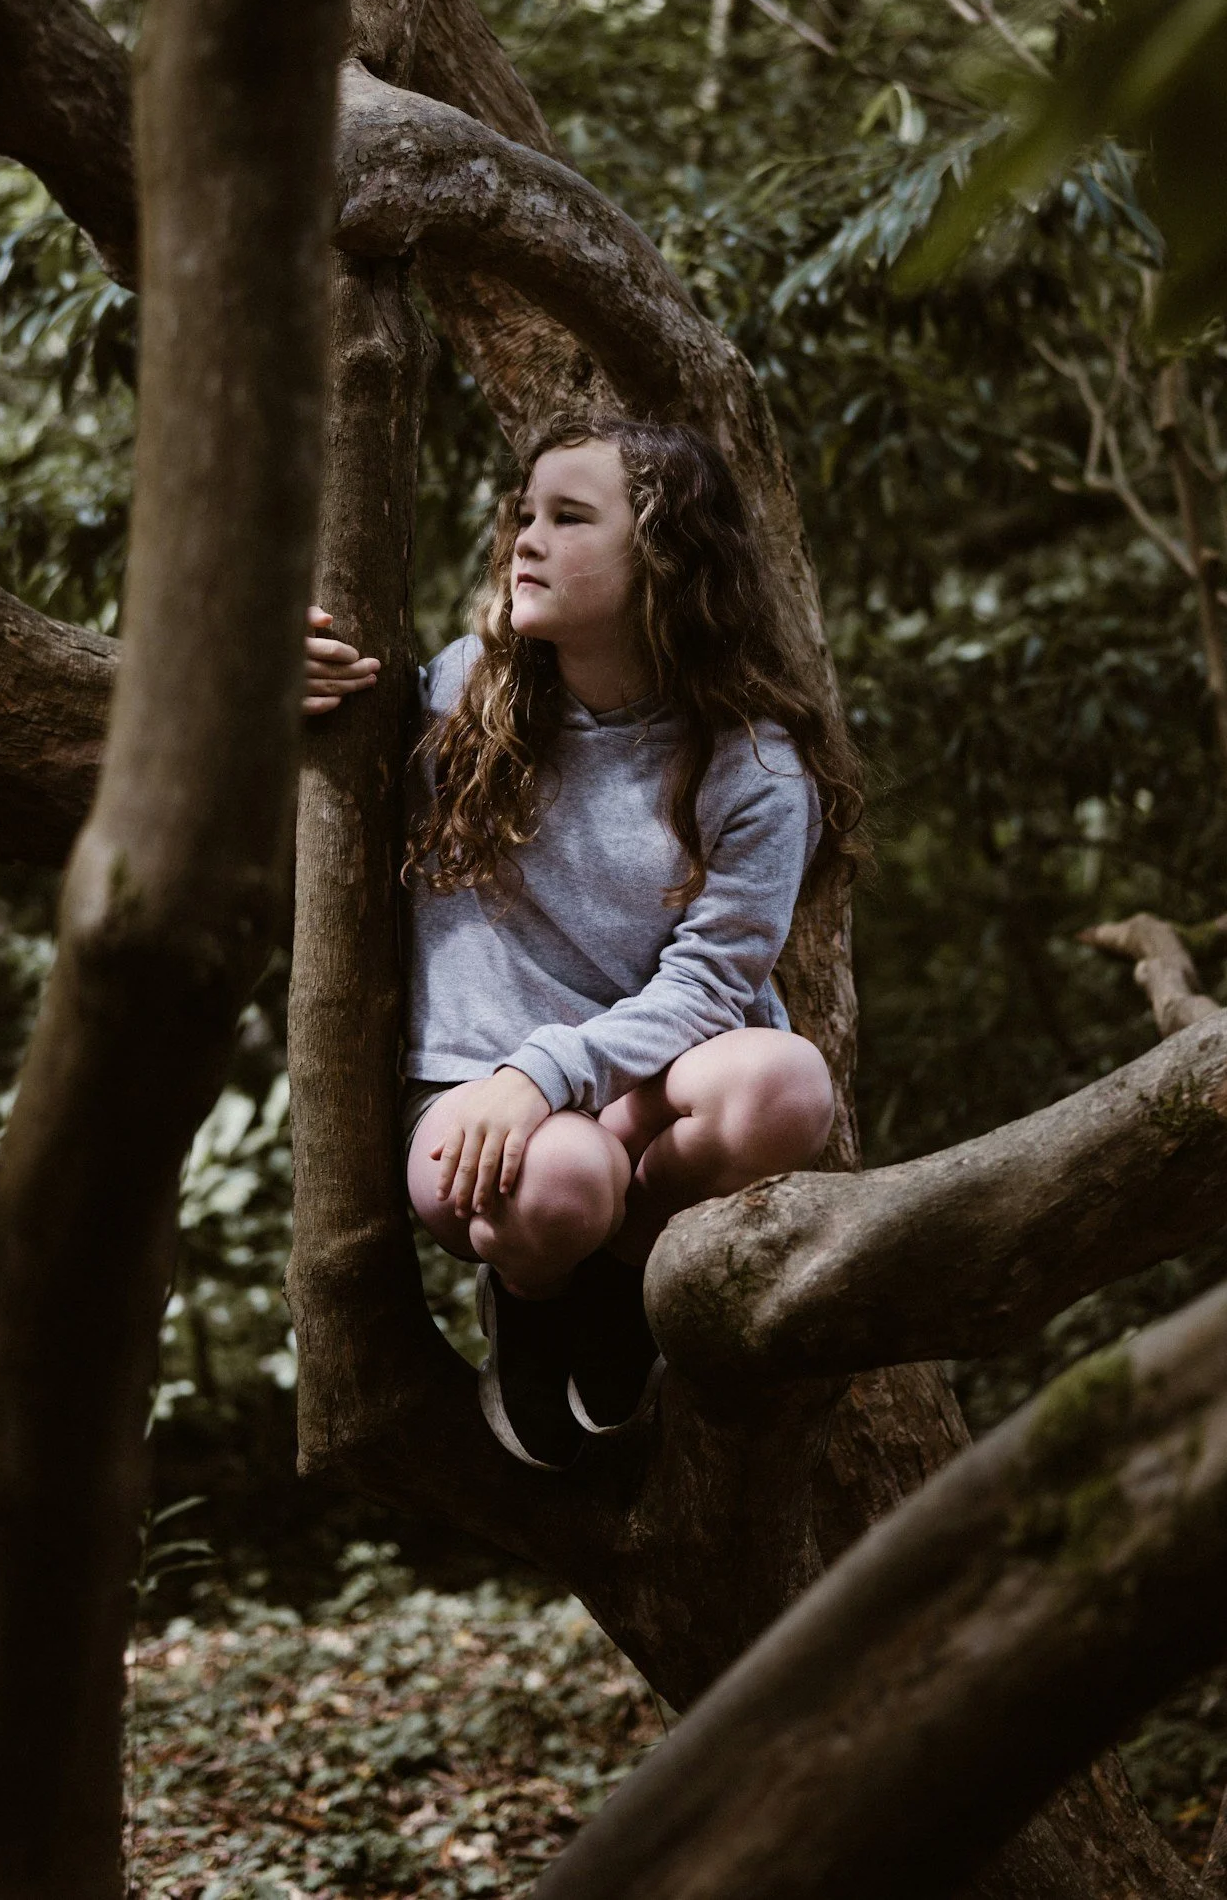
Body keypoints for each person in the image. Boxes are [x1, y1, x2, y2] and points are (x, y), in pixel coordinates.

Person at [303, 416, 861, 1468]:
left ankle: (623, 1275)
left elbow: (711, 985)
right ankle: (534, 1292)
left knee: (786, 1082)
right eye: (524, 514)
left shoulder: (750, 760)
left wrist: (552, 1071)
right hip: (476, 1099)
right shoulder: (462, 698)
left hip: (638, 1092)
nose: (525, 539)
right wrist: (278, 676)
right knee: (557, 1178)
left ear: (661, 557)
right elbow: (307, 759)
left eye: (568, 518)